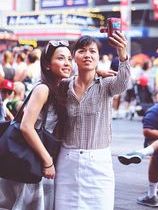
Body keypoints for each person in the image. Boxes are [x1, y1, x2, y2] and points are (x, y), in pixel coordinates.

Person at [54, 31, 130, 210]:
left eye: (92, 51)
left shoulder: (106, 84)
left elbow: (123, 83)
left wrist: (122, 53)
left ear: (98, 56)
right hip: (67, 163)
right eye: (82, 50)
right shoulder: (64, 86)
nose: (87, 54)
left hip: (99, 164)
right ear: (74, 57)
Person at [0, 40, 72, 210]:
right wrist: (47, 160)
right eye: (61, 58)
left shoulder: (58, 87)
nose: (67, 63)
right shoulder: (43, 89)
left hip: (34, 159)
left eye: (69, 59)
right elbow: (26, 126)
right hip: (28, 159)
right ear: (47, 64)